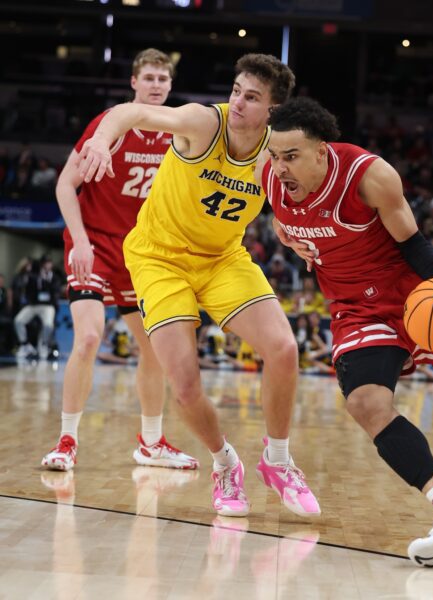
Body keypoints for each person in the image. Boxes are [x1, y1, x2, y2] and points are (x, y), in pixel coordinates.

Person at [261, 97, 433, 567]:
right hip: (355, 309)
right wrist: (283, 232)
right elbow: (280, 215)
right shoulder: (269, 179)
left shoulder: (369, 177)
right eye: (274, 155)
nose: (280, 167)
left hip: (417, 300)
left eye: (291, 156)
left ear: (323, 151)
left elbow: (412, 241)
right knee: (365, 403)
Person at [77, 54, 319, 518]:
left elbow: (286, 198)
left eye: (252, 97)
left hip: (222, 258)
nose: (238, 101)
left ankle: (278, 460)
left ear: (272, 110)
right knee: (185, 387)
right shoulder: (203, 123)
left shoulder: (276, 148)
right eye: (236, 90)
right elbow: (133, 113)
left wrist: (291, 231)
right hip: (158, 259)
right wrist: (103, 141)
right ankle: (225, 463)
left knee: (285, 349)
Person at [41, 49, 198, 472]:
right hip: (93, 242)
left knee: (156, 350)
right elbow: (64, 186)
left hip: (139, 252)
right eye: (148, 78)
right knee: (89, 337)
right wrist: (80, 241)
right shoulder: (111, 124)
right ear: (133, 83)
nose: (156, 86)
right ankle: (67, 440)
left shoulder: (177, 132)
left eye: (163, 80)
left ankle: (151, 444)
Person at [14, 257, 61, 360]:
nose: (48, 266)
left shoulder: (54, 277)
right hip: (33, 304)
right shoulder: (33, 276)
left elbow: (56, 291)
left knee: (48, 324)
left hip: (48, 305)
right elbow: (27, 289)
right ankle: (24, 345)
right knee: (18, 320)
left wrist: (47, 280)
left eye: (50, 263)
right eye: (46, 263)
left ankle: (43, 345)